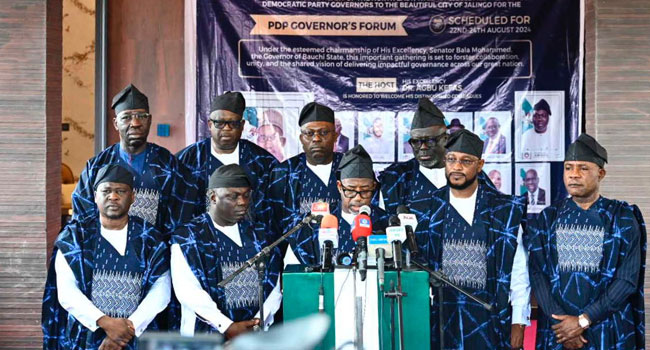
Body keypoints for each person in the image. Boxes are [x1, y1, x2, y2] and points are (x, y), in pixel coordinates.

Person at [525, 134, 645, 349]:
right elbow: (537, 274)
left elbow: (627, 280)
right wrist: (563, 325)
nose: (574, 175)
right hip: (558, 332)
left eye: (583, 168)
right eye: (569, 167)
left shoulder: (622, 217)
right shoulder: (548, 218)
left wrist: (583, 321)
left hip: (608, 329)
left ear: (601, 174)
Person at [421, 130, 530, 349]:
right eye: (451, 160)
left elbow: (518, 269)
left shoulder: (503, 210)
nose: (457, 167)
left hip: (490, 318)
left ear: (479, 165)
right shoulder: (427, 208)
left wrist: (519, 321)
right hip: (441, 320)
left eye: (466, 161)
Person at [43, 164, 171, 350]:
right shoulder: (75, 237)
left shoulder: (150, 237)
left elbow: (162, 289)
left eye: (121, 191)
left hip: (137, 338)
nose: (113, 196)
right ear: (96, 196)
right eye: (107, 190)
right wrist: (105, 322)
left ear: (133, 197)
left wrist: (126, 330)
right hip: (84, 337)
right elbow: (67, 291)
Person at [170, 164, 282, 338]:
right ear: (213, 197)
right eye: (233, 196)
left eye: (246, 195)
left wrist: (257, 322)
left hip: (255, 338)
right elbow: (188, 291)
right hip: (205, 339)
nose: (242, 202)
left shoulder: (261, 234)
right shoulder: (188, 236)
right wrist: (227, 327)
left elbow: (275, 285)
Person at [72, 84, 197, 239]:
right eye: (126, 117)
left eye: (141, 116)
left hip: (156, 255)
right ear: (116, 123)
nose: (136, 123)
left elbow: (183, 220)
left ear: (150, 120)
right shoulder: (97, 167)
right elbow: (82, 219)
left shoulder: (169, 166)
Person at [379, 98, 495, 237]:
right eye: (416, 141)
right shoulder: (395, 177)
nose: (423, 148)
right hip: (409, 258)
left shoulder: (468, 173)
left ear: (446, 139)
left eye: (430, 140)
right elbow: (381, 226)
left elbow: (494, 218)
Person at [177, 92, 278, 217]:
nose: (226, 128)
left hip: (250, 234)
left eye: (233, 123)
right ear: (210, 124)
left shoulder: (263, 162)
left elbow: (275, 208)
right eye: (219, 123)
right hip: (198, 234)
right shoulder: (186, 160)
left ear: (242, 126)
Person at [288, 145, 389, 264]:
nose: (358, 198)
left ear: (373, 187)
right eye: (350, 190)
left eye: (365, 190)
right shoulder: (311, 224)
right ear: (339, 187)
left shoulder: (386, 223)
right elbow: (298, 273)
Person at [268, 102, 342, 243]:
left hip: (346, 256)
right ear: (302, 138)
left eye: (324, 132)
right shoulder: (284, 172)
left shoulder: (350, 167)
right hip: (297, 256)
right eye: (309, 133)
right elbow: (274, 225)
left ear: (335, 136)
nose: (316, 139)